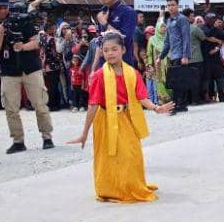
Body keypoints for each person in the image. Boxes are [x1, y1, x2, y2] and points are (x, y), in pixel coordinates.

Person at [68, 32, 173, 202]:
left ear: (123, 50)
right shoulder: (99, 76)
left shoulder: (133, 73)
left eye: (114, 49)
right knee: (109, 156)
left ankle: (131, 184)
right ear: (101, 52)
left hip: (126, 117)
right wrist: (84, 132)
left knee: (131, 154)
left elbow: (142, 97)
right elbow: (93, 105)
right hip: (104, 119)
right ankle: (110, 188)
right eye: (106, 50)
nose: (110, 53)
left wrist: (156, 108)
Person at [0, 0, 54, 154]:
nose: (2, 11)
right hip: (8, 70)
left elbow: (36, 42)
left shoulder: (21, 20)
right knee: (11, 108)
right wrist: (0, 33)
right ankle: (18, 141)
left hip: (31, 67)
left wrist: (22, 47)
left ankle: (47, 137)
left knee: (40, 104)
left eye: (5, 7)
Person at [92, 0, 137, 67]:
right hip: (104, 68)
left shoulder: (128, 12)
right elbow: (99, 43)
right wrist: (93, 70)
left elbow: (124, 39)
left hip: (122, 68)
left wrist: (105, 23)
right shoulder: (102, 12)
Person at [158, 0, 191, 114]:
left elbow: (186, 38)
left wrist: (185, 56)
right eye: (169, 5)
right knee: (178, 81)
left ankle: (176, 106)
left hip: (181, 55)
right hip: (173, 54)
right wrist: (161, 56)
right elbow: (167, 41)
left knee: (178, 81)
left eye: (173, 5)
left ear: (178, 6)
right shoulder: (169, 21)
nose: (171, 7)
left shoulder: (182, 19)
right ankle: (181, 105)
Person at [146, 21, 170, 105]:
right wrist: (149, 64)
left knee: (169, 79)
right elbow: (149, 53)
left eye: (164, 27)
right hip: (158, 64)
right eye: (162, 27)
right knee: (159, 80)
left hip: (168, 63)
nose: (164, 28)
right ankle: (163, 100)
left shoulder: (168, 37)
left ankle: (171, 100)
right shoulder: (152, 39)